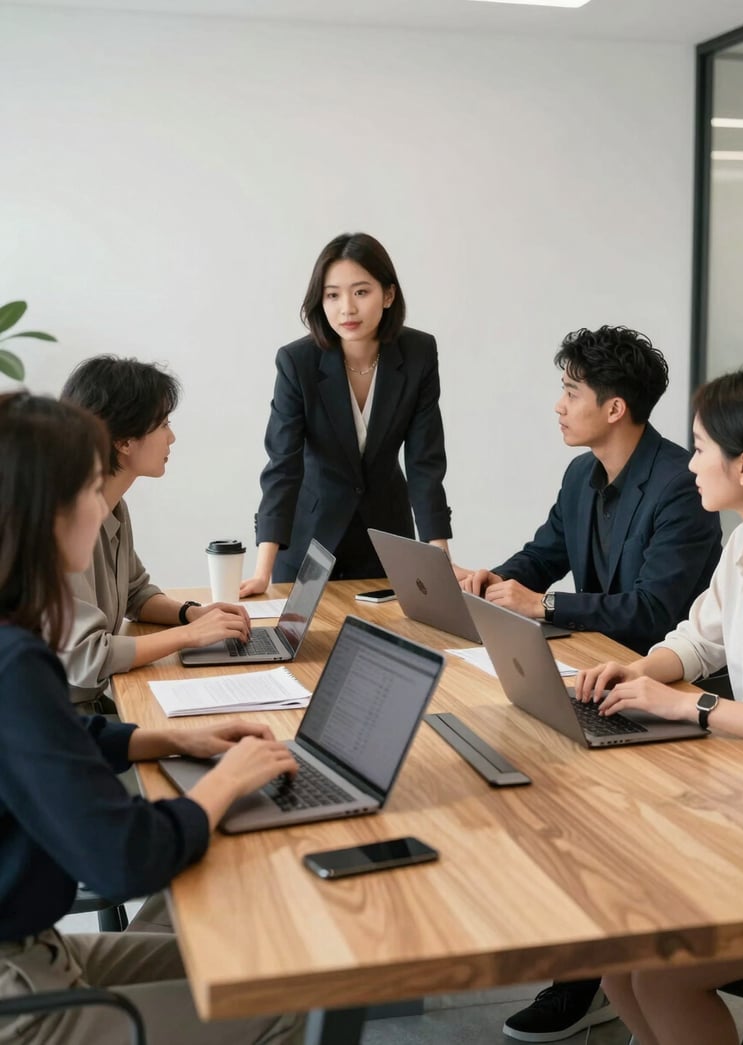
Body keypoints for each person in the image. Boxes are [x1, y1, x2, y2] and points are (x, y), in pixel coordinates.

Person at [0, 391, 303, 1045]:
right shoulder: (13, 661)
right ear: (41, 514)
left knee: (240, 953)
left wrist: (170, 738)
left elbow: (52, 740)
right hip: (17, 996)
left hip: (35, 952)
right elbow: (121, 858)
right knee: (279, 1000)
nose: (100, 504)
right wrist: (225, 781)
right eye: (86, 488)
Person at [455, 325, 723, 1043]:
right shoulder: (582, 476)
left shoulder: (681, 484)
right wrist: (491, 580)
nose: (558, 405)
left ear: (614, 408)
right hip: (602, 677)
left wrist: (540, 606)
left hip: (668, 698)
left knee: (562, 797)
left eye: (571, 391)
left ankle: (583, 972)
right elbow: (545, 553)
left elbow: (654, 609)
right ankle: (591, 960)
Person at [573, 365, 743, 1045]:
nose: (686, 464)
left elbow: (704, 697)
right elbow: (698, 637)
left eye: (698, 447)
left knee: (658, 971)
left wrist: (692, 709)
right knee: (616, 951)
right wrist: (637, 666)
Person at [240, 231, 452, 594]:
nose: (347, 309)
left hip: (387, 541)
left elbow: (424, 463)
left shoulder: (418, 353)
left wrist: (440, 558)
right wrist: (262, 571)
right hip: (309, 542)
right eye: (332, 295)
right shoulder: (297, 362)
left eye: (361, 292)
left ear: (388, 295)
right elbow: (282, 467)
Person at [60, 356, 251, 709]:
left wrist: (192, 614)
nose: (172, 436)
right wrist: (189, 636)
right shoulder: (63, 523)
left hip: (88, 709)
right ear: (124, 440)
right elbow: (85, 657)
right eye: (163, 424)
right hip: (57, 728)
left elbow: (136, 593)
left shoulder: (113, 505)